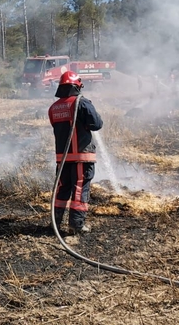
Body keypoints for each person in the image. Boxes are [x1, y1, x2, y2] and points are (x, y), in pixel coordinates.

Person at [47, 71, 103, 235]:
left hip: (62, 159)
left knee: (62, 189)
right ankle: (76, 224)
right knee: (79, 189)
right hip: (81, 157)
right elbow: (97, 124)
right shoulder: (81, 103)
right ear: (76, 86)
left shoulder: (54, 108)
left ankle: (55, 223)